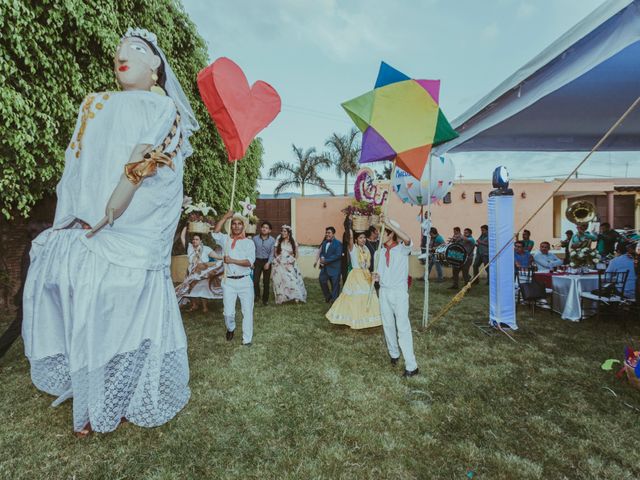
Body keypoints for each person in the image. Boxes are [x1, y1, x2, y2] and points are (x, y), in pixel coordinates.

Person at [21, 28, 198, 436]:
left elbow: (143, 162)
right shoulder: (94, 103)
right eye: (119, 51)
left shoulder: (162, 109)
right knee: (85, 305)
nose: (124, 56)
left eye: (136, 50)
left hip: (130, 224)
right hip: (86, 224)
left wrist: (112, 209)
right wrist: (74, 213)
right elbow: (76, 164)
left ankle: (114, 396)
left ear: (156, 67)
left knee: (119, 305)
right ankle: (90, 391)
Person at [373, 218, 418, 377]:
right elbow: (379, 273)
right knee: (388, 325)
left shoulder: (402, 249)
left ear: (391, 233)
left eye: (382, 232)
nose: (378, 235)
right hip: (384, 291)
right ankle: (394, 354)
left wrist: (389, 224)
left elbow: (408, 239)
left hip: (399, 292)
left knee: (403, 326)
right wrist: (376, 277)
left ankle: (412, 366)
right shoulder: (378, 252)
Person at [212, 210, 256, 346]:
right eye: (234, 224)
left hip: (245, 281)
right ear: (231, 226)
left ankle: (247, 340)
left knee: (247, 311)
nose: (236, 226)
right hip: (229, 282)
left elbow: (250, 262)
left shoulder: (249, 243)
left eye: (239, 224)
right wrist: (225, 216)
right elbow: (215, 232)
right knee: (228, 313)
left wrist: (231, 260)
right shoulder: (226, 240)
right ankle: (230, 328)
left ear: (243, 226)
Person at [326, 221, 382, 329]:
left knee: (368, 296)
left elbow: (368, 263)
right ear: (356, 239)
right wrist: (350, 225)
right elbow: (350, 237)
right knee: (355, 298)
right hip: (356, 276)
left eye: (364, 238)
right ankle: (353, 319)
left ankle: (367, 318)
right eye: (360, 238)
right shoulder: (353, 249)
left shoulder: (366, 249)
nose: (363, 240)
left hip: (365, 275)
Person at [175, 234, 224, 310]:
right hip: (191, 270)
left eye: (197, 239)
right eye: (193, 239)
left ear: (201, 241)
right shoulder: (190, 247)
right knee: (189, 288)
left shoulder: (206, 249)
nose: (194, 241)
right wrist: (185, 225)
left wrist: (226, 257)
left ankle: (205, 307)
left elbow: (217, 257)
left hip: (202, 271)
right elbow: (182, 237)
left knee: (202, 287)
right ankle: (194, 305)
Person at [271, 225, 307, 304]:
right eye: (282, 231)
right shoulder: (279, 240)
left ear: (288, 233)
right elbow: (275, 252)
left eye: (285, 231)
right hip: (280, 263)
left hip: (289, 264)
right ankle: (282, 298)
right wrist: (279, 260)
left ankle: (296, 296)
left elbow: (296, 254)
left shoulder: (293, 242)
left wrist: (291, 260)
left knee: (292, 279)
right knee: (281, 281)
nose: (282, 233)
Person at [252, 221, 275, 306]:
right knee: (255, 280)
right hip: (257, 261)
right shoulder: (255, 239)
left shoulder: (272, 240)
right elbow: (252, 251)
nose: (264, 229)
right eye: (263, 227)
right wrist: (252, 261)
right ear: (260, 228)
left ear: (269, 230)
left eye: (266, 228)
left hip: (266, 261)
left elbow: (272, 253)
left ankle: (265, 299)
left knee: (266, 281)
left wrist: (268, 263)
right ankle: (257, 296)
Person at [317, 226, 343, 303]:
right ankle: (328, 296)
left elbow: (338, 255)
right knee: (322, 280)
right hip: (325, 268)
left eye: (329, 233)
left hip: (335, 268)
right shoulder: (324, 243)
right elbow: (322, 253)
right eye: (326, 233)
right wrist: (321, 257)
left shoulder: (338, 243)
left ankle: (335, 300)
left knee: (335, 285)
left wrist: (326, 260)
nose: (327, 234)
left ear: (333, 234)